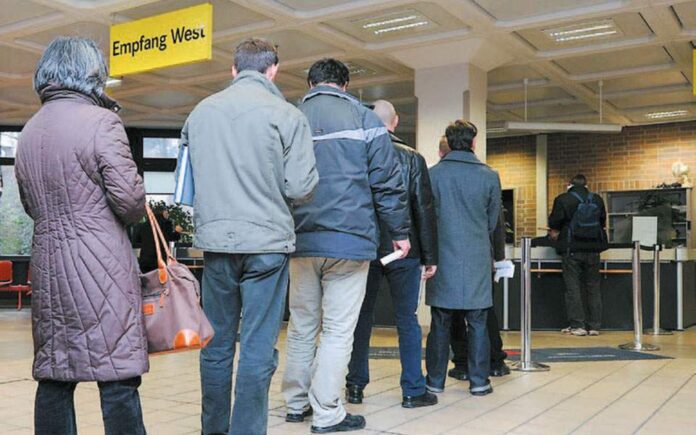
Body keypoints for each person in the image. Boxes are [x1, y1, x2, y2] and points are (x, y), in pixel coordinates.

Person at [181, 38, 318, 435]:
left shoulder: (200, 113)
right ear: (273, 70)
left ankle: (213, 429)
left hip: (216, 245)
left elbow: (186, 184)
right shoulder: (288, 115)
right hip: (268, 245)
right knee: (257, 347)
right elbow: (299, 186)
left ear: (234, 69)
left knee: (216, 343)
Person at [15, 36, 148, 435]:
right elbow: (130, 204)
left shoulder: (29, 131)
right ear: (91, 72)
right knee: (117, 375)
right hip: (101, 268)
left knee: (55, 375)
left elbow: (30, 205)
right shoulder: (102, 122)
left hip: (49, 267)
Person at [282, 59, 411, 433]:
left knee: (302, 325)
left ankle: (296, 404)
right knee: (338, 331)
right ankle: (327, 412)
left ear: (311, 83)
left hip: (300, 240)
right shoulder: (366, 119)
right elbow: (387, 183)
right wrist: (399, 232)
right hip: (350, 242)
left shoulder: (290, 118)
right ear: (346, 84)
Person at [345, 100, 438, 409]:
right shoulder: (412, 157)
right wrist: (430, 257)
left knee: (362, 318)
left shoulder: (358, 154)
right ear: (395, 121)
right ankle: (413, 390)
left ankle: (355, 386)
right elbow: (423, 209)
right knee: (407, 319)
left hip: (365, 248)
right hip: (404, 251)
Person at [425, 120, 501, 397]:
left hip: (442, 258)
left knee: (440, 320)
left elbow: (425, 219)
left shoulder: (432, 175)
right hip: (477, 258)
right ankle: (479, 381)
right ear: (473, 143)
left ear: (448, 142)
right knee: (478, 321)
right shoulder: (489, 176)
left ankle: (435, 381)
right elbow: (492, 222)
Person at [548, 174, 607, 337]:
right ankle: (594, 326)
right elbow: (602, 221)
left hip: (571, 248)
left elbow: (554, 223)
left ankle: (577, 326)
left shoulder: (563, 199)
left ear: (569, 184)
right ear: (586, 184)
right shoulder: (597, 199)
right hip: (593, 249)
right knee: (593, 287)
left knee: (573, 287)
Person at [134, 208, 183, 272]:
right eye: (166, 213)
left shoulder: (143, 225)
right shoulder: (166, 224)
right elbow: (171, 237)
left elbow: (136, 240)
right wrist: (177, 232)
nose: (168, 215)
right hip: (159, 261)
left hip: (145, 260)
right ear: (162, 213)